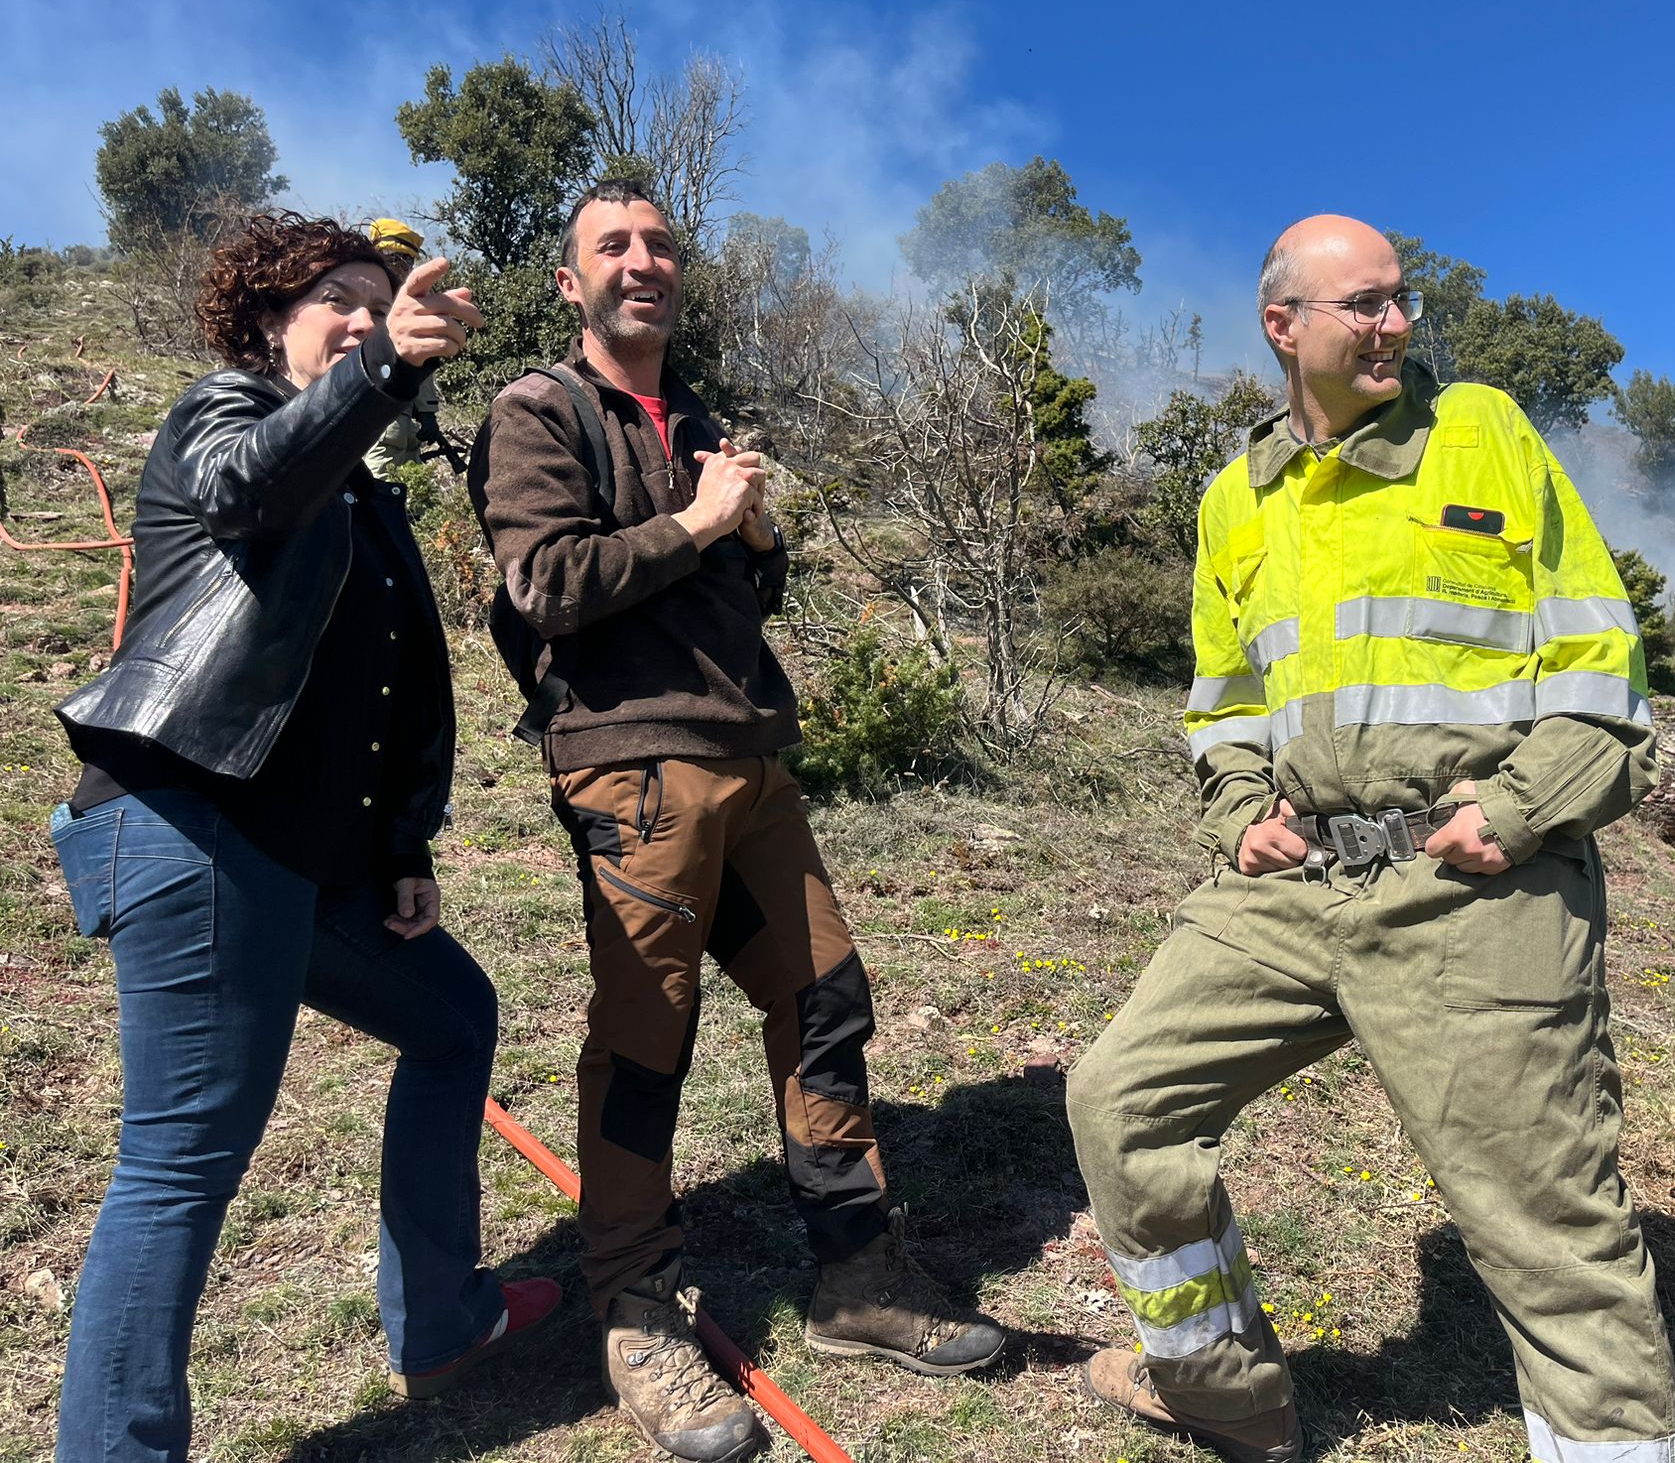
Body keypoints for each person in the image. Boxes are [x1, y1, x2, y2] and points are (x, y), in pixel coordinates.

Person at [1065, 215, 1675, 1463]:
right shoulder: (1235, 498)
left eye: (1401, 300)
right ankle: (1221, 1394)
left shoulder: (1485, 435)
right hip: (1295, 884)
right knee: (1120, 1102)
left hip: (1477, 887)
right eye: (1364, 304)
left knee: (1541, 1226)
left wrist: (1512, 811)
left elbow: (1599, 668)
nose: (1396, 323)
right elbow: (1226, 698)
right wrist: (1239, 812)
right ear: (1281, 326)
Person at [468, 179, 1002, 1463]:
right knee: (647, 1045)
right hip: (635, 776)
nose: (641, 261)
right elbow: (542, 585)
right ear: (570, 280)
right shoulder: (539, 410)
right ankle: (635, 1312)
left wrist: (749, 537)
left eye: (658, 243)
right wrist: (694, 520)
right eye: (613, 245)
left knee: (825, 1000)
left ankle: (857, 1280)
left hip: (750, 761)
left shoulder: (695, 417)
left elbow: (736, 589)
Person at [49, 212, 559, 1463]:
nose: (362, 311)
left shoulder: (358, 489)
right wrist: (381, 367)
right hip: (193, 828)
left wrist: (400, 851)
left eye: (378, 298)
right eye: (336, 296)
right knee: (180, 1161)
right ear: (269, 323)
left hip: (297, 857)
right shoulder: (217, 418)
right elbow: (247, 486)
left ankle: (442, 1320)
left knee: (451, 1020)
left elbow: (375, 694)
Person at [362, 218, 450, 479]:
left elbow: (419, 360)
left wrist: (427, 413)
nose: (402, 267)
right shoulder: (379, 302)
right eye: (398, 259)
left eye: (405, 261)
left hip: (393, 421)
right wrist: (428, 412)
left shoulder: (376, 299)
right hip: (387, 420)